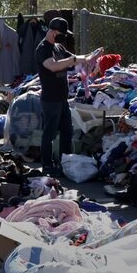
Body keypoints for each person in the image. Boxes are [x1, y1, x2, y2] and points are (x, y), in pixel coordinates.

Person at [36, 17, 88, 176]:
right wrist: (73, 60)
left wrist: (90, 58)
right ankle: (47, 165)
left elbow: (74, 59)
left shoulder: (58, 47)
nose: (63, 37)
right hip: (50, 99)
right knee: (49, 134)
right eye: (61, 33)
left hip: (62, 99)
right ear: (53, 32)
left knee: (67, 131)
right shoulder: (43, 49)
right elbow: (54, 66)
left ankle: (65, 162)